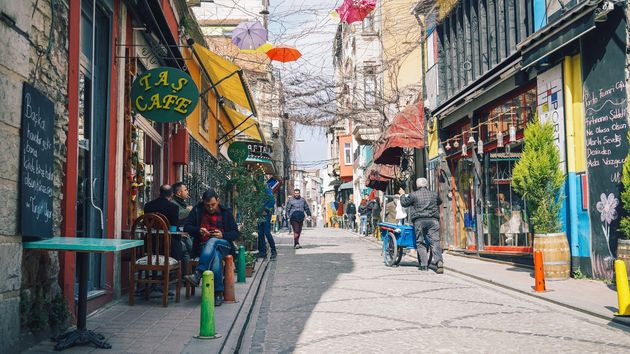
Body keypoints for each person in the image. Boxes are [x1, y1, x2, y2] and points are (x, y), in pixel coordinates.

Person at [183, 190, 240, 306]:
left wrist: (222, 235)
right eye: (207, 205)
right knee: (216, 257)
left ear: (218, 201)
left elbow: (235, 233)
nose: (210, 208)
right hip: (203, 247)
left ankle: (198, 273)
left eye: (213, 205)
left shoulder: (226, 212)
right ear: (203, 203)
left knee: (213, 240)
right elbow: (187, 227)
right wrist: (198, 231)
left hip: (224, 245)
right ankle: (218, 293)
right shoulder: (197, 210)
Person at [400, 178, 443, 273]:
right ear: (426, 184)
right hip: (433, 220)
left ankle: (424, 264)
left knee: (420, 242)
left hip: (419, 220)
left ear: (417, 185)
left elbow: (404, 203)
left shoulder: (414, 194)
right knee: (435, 241)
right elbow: (440, 202)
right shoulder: (434, 194)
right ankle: (439, 261)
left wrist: (402, 194)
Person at [144, 185, 183, 261]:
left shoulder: (148, 206)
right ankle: (176, 271)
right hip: (167, 246)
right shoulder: (173, 207)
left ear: (159, 193)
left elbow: (146, 224)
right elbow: (173, 229)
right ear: (172, 194)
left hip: (150, 244)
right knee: (183, 248)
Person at [171, 182, 194, 274]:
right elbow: (179, 216)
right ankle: (187, 276)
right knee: (188, 247)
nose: (187, 192)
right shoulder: (173, 203)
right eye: (185, 190)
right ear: (179, 193)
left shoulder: (181, 203)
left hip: (184, 233)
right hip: (176, 236)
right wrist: (188, 210)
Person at [258, 186, 277, 260]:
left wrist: (266, 209)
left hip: (266, 214)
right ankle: (262, 252)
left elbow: (272, 200)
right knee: (260, 233)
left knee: (266, 232)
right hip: (259, 214)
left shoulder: (265, 188)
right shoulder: (258, 190)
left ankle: (273, 251)